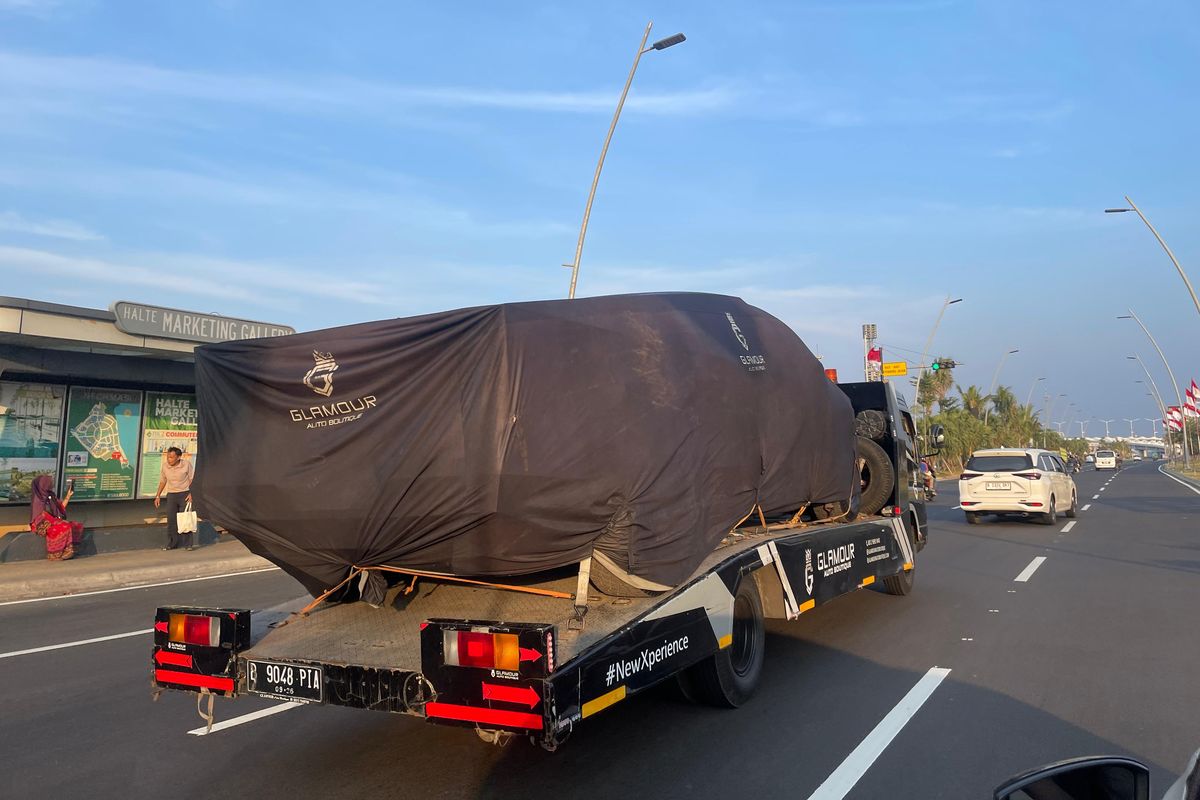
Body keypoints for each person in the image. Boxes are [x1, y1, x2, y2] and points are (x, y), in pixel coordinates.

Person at [29, 475, 83, 561]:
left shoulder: (51, 495)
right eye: (49, 482)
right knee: (65, 526)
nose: (51, 484)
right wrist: (55, 521)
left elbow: (60, 508)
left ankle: (69, 550)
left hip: (53, 521)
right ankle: (56, 553)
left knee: (76, 525)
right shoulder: (38, 499)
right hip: (42, 524)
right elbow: (39, 518)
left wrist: (68, 496)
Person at [154, 446, 195, 551]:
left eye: (171, 457)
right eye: (168, 457)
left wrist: (192, 494)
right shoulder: (165, 466)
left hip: (185, 494)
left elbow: (192, 479)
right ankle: (172, 543)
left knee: (184, 519)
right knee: (171, 520)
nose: (169, 459)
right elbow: (163, 481)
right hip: (172, 495)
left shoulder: (186, 465)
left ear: (178, 457)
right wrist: (157, 496)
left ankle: (188, 544)